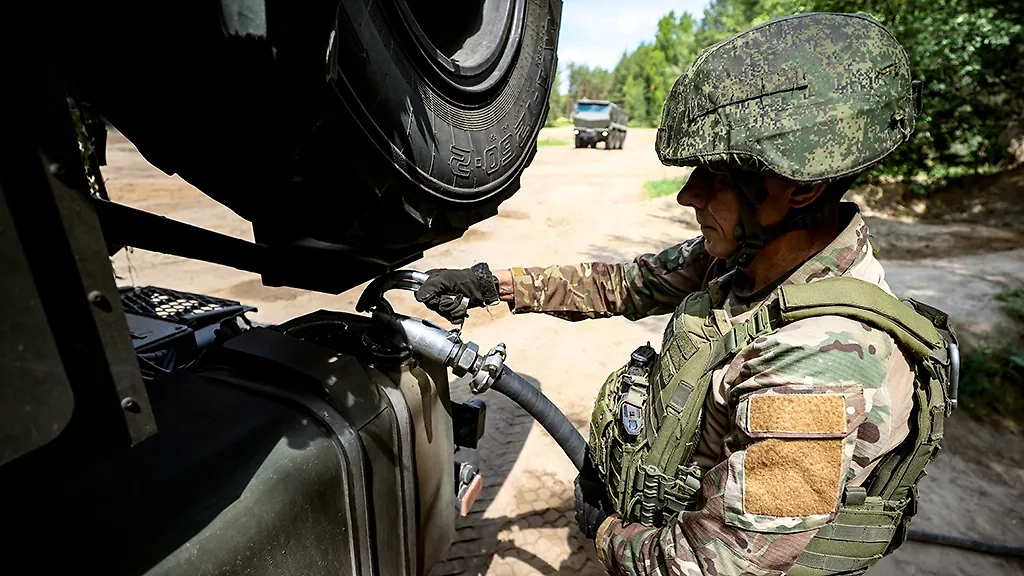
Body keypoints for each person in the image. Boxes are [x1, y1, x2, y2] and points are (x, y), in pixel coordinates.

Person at [415, 12, 957, 576]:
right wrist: (492, 284)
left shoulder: (819, 361)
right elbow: (630, 284)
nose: (686, 195)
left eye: (716, 176)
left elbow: (711, 564)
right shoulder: (750, 255)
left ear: (801, 188)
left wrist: (604, 533)